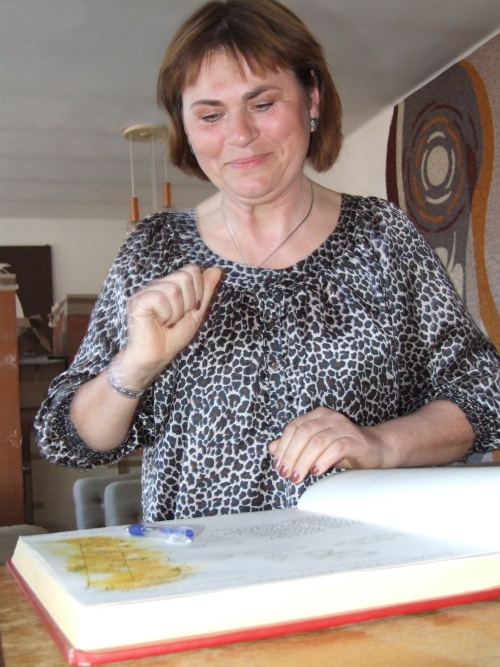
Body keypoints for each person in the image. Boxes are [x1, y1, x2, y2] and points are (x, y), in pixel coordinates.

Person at [35, 0, 500, 522]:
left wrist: (380, 443)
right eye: (211, 115)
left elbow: (485, 394)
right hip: (200, 565)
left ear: (312, 98)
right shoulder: (154, 249)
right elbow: (68, 439)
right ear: (185, 126)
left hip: (366, 559)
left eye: (262, 103)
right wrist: (135, 365)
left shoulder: (382, 238)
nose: (239, 134)